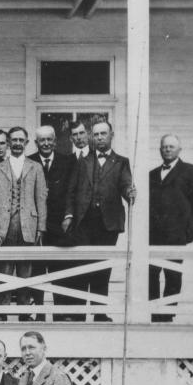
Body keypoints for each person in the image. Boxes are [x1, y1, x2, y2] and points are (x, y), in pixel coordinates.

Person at [65, 119, 135, 316]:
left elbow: (125, 186)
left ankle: (99, 313)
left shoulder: (122, 162)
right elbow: (71, 191)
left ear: (111, 135)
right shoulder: (83, 162)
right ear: (91, 137)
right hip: (84, 223)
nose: (99, 138)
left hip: (108, 223)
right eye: (96, 135)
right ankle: (78, 313)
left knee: (102, 269)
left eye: (103, 134)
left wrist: (130, 192)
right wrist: (69, 215)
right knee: (82, 267)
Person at [0, 126, 47, 316]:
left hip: (28, 225)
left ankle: (24, 314)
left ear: (27, 143)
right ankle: (2, 314)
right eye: (14, 140)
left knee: (25, 274)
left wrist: (41, 228)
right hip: (4, 227)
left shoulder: (35, 167)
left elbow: (41, 199)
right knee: (3, 273)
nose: (18, 143)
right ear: (8, 143)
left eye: (21, 140)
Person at [148, 134, 193, 321]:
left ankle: (167, 315)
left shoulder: (191, 171)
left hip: (176, 234)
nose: (167, 149)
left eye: (171, 147)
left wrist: (187, 218)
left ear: (179, 150)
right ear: (160, 150)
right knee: (150, 274)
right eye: (164, 147)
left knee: (173, 274)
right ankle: (153, 313)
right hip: (153, 235)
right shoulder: (151, 174)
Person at [29, 125, 82, 321]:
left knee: (61, 269)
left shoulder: (68, 161)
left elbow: (73, 191)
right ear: (36, 143)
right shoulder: (30, 161)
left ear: (55, 141)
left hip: (61, 224)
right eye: (41, 140)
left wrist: (68, 215)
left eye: (49, 139)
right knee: (37, 270)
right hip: (37, 226)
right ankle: (39, 314)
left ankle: (62, 313)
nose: (46, 143)